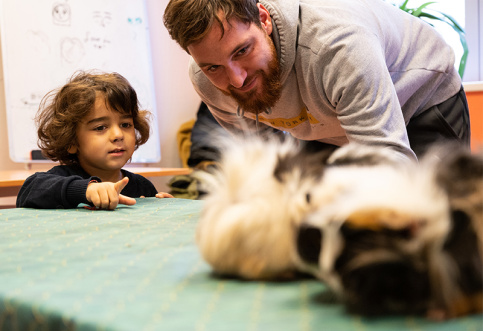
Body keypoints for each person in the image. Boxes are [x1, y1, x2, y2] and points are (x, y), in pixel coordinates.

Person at [163, 0, 471, 161]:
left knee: (434, 226)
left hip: (419, 101)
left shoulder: (338, 48)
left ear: (264, 20)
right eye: (213, 67)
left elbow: (389, 160)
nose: (237, 79)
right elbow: (268, 164)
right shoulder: (207, 83)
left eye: (242, 50)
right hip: (327, 128)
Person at [16, 71, 173, 210]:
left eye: (125, 124)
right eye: (100, 128)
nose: (118, 134)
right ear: (71, 141)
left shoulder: (142, 187)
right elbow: (28, 192)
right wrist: (87, 190)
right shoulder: (60, 178)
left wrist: (162, 209)